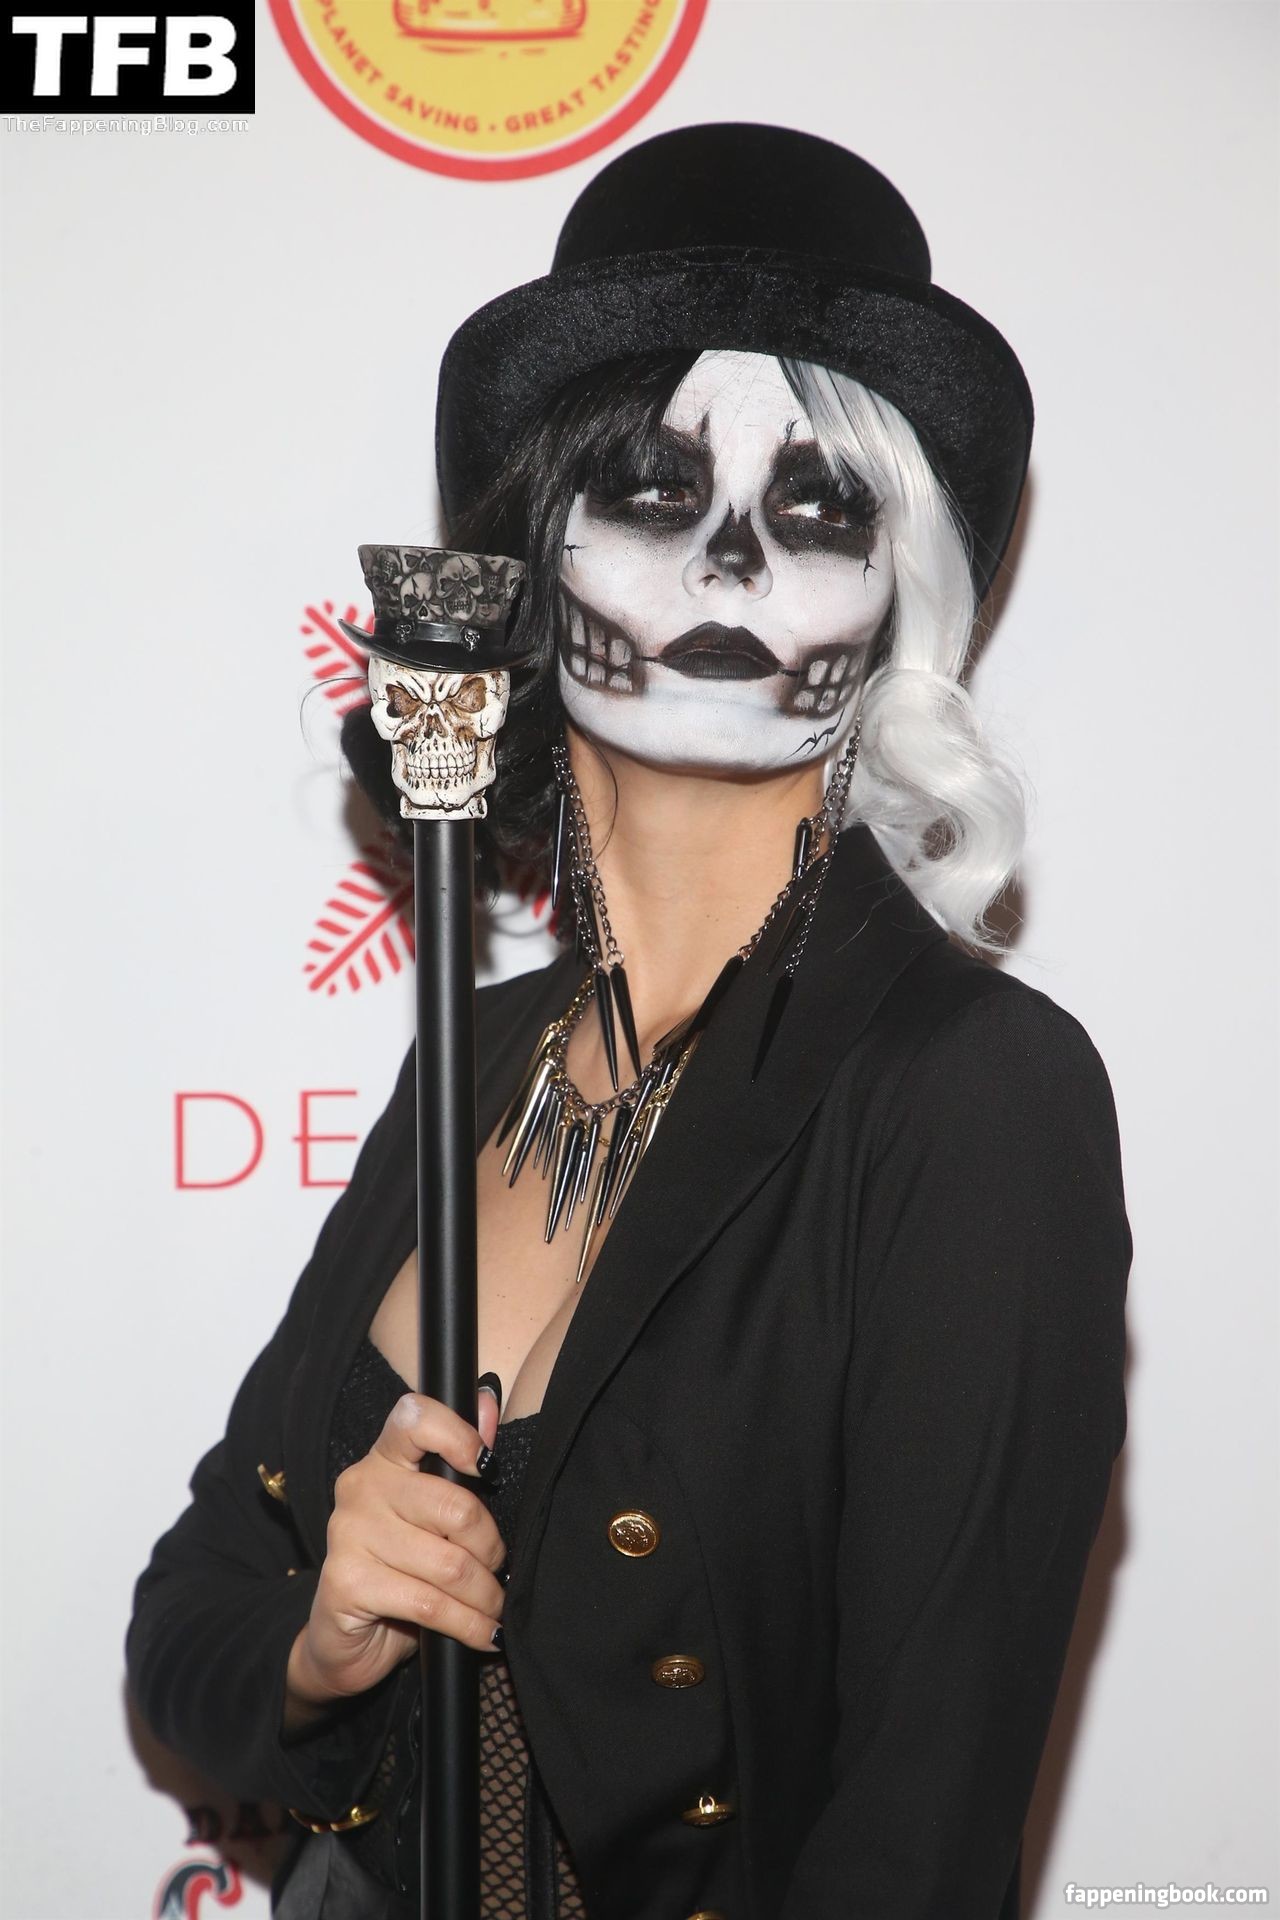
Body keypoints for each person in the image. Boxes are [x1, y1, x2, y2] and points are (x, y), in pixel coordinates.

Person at [126, 124, 1132, 1920]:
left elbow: (920, 1835)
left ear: (904, 592)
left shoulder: (974, 1095)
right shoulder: (476, 1064)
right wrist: (326, 1648)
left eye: (820, 510)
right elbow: (189, 1628)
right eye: (657, 492)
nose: (732, 566)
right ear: (538, 551)